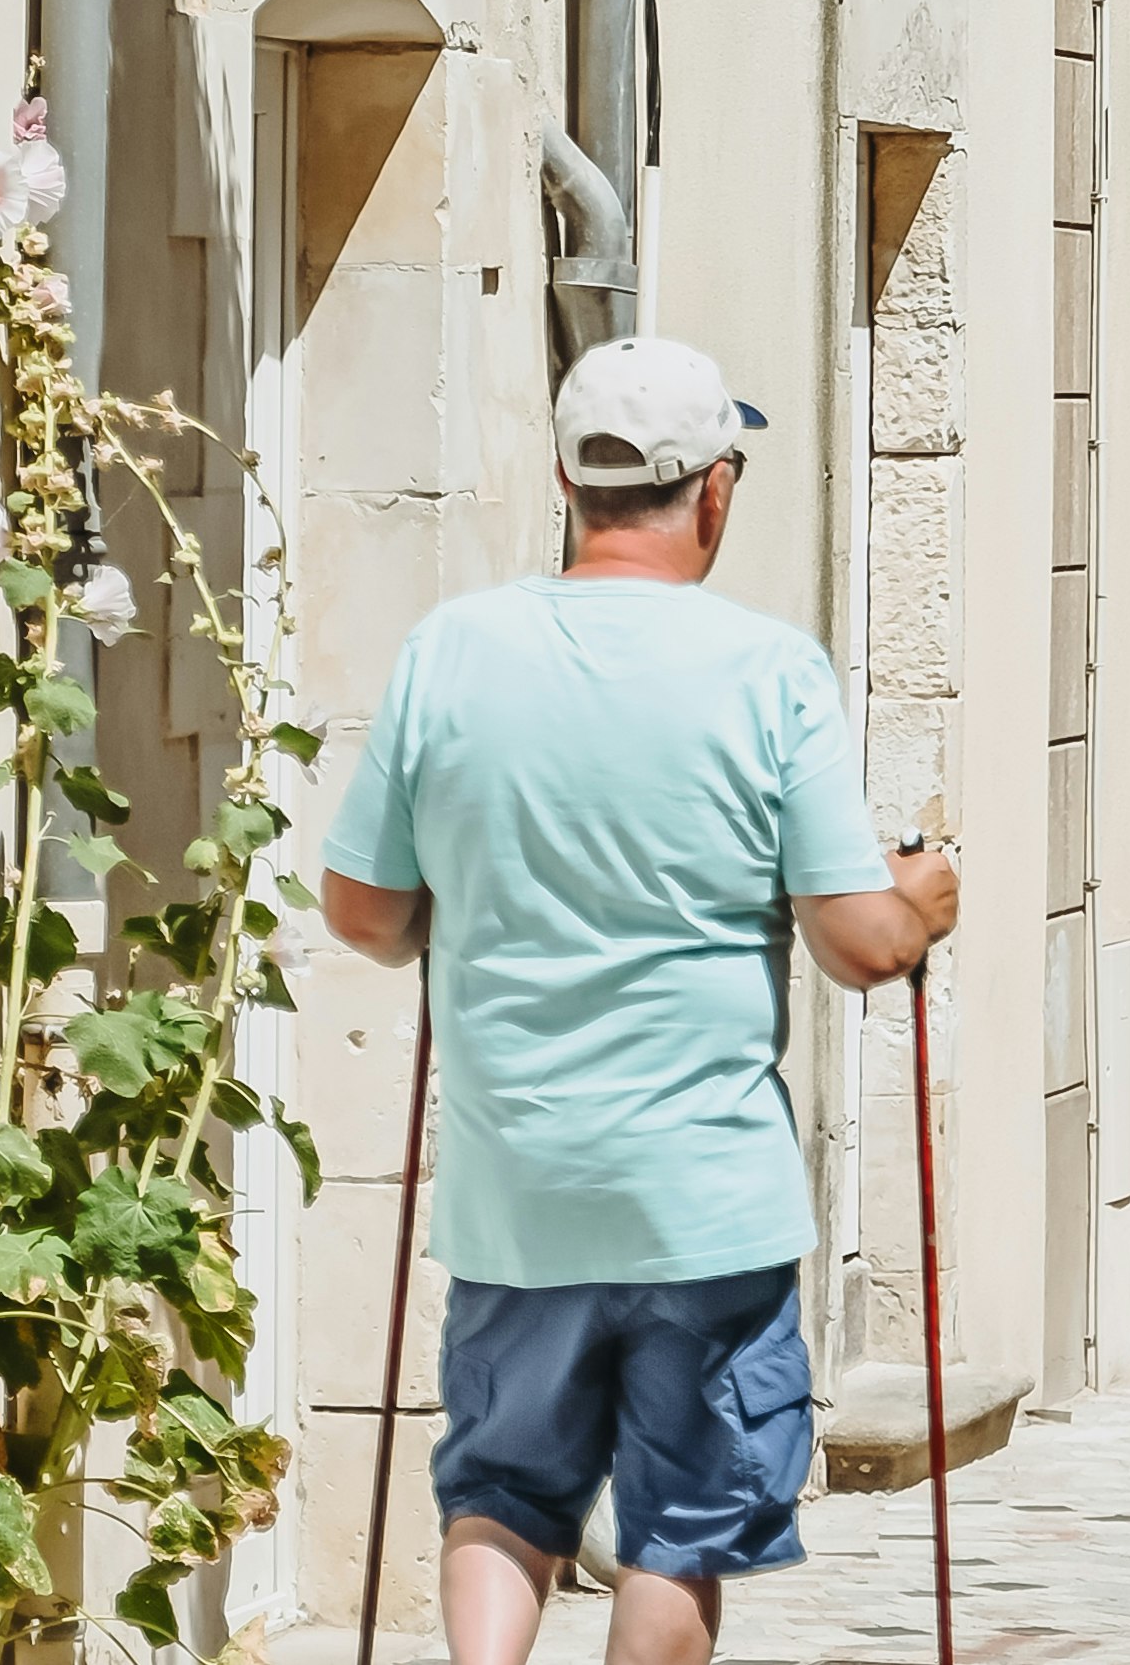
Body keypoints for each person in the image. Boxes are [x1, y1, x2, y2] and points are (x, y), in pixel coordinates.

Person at [317, 338, 961, 1665]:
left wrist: (478, 888)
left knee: (502, 1494)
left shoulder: (451, 651)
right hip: (703, 1200)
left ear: (568, 475)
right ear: (716, 487)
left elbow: (364, 912)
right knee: (681, 1530)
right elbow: (853, 943)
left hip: (518, 1185)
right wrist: (922, 901)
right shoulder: (770, 672)